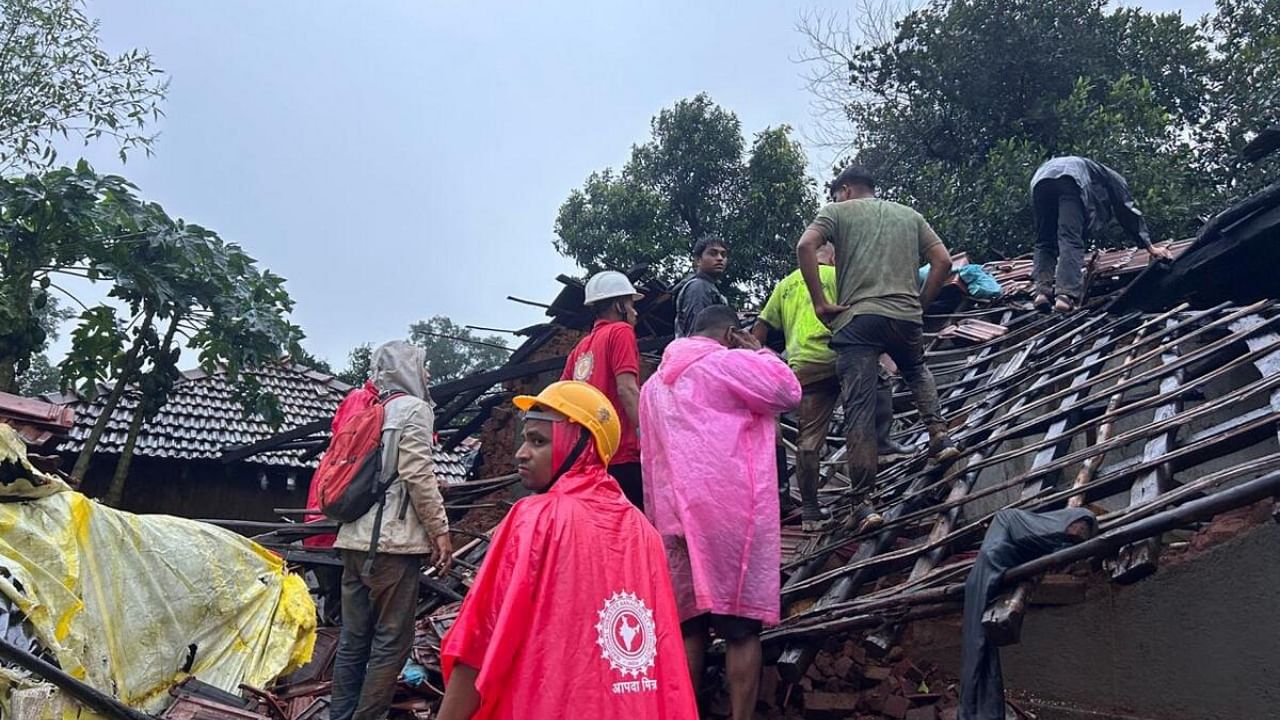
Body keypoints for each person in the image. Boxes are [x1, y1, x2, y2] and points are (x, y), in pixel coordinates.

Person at [437, 381, 697, 720]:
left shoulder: (536, 518)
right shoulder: (643, 531)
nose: (521, 453)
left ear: (581, 448)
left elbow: (480, 638)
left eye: (538, 441)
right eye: (525, 439)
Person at [640, 305, 801, 720]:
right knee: (740, 628)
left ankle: (684, 713)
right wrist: (761, 352)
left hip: (674, 517)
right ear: (730, 333)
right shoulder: (728, 363)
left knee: (689, 626)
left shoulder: (654, 383)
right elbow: (788, 393)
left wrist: (659, 518)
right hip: (730, 515)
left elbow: (650, 458)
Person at [797, 164, 960, 532]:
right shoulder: (910, 215)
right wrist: (919, 304)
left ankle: (863, 503)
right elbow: (944, 262)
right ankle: (939, 433)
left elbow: (806, 245)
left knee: (859, 409)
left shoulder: (836, 212)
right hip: (905, 316)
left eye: (837, 193)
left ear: (846, 190)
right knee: (916, 369)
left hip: (860, 321)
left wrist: (821, 302)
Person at [752, 242, 914, 531]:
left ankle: (811, 511)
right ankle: (868, 489)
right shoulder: (840, 276)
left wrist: (765, 361)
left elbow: (760, 328)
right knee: (864, 415)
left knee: (809, 441)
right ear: (833, 254)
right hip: (845, 355)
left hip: (803, 365)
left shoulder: (786, 285)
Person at [331, 341, 454, 720]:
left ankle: (340, 715)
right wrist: (440, 530)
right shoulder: (414, 411)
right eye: (422, 365)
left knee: (353, 640)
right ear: (407, 369)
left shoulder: (370, 411)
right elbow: (418, 474)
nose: (428, 374)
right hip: (391, 548)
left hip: (351, 540)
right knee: (390, 643)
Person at [1030, 156, 1174, 313]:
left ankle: (1042, 293)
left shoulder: (1091, 172)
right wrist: (1149, 246)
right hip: (1069, 179)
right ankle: (1065, 295)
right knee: (1070, 238)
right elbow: (1127, 211)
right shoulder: (1113, 179)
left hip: (1040, 180)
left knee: (1044, 242)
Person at [562, 270, 646, 509]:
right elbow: (627, 390)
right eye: (631, 304)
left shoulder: (580, 348)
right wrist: (649, 437)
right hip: (621, 455)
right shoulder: (621, 332)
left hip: (588, 460)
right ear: (620, 305)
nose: (635, 311)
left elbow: (564, 399)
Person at [673, 234, 729, 338]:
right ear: (698, 260)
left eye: (723, 255)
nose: (720, 258)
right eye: (713, 254)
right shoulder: (698, 287)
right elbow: (697, 331)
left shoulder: (710, 286)